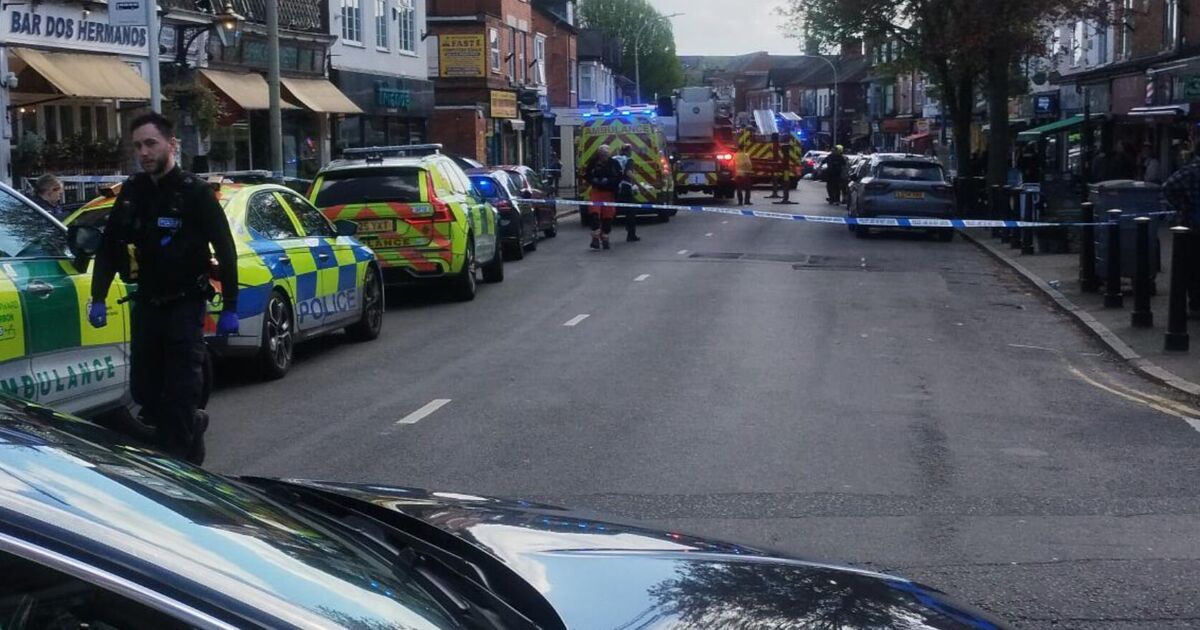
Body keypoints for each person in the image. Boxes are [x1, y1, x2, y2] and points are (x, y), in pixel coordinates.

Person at [88, 113, 240, 465]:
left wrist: (231, 305)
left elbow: (225, 249)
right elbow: (109, 247)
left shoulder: (195, 192)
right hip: (147, 302)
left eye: (150, 143)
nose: (143, 152)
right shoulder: (132, 192)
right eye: (138, 146)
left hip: (185, 302)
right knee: (144, 389)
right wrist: (98, 296)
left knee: (181, 391)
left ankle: (179, 466)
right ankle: (190, 429)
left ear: (171, 145)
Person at [1162, 151, 1200, 315]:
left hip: (1193, 225)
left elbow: (1168, 187)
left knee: (1192, 267)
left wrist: (1182, 206)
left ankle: (1195, 305)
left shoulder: (1190, 171)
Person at [584, 144, 622, 250]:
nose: (603, 156)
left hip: (609, 193)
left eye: (605, 154)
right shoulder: (593, 163)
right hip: (596, 192)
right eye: (601, 154)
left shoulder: (614, 163)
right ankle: (595, 238)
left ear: (608, 154)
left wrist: (609, 181)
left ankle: (605, 237)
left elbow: (619, 177)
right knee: (594, 214)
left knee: (607, 218)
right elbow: (587, 175)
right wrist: (593, 180)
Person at [614, 145, 640, 242]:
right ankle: (631, 234)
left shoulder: (614, 159)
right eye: (630, 151)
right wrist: (638, 183)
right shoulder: (628, 160)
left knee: (612, 210)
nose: (631, 152)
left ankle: (603, 236)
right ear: (628, 151)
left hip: (614, 187)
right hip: (625, 188)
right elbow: (628, 173)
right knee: (631, 211)